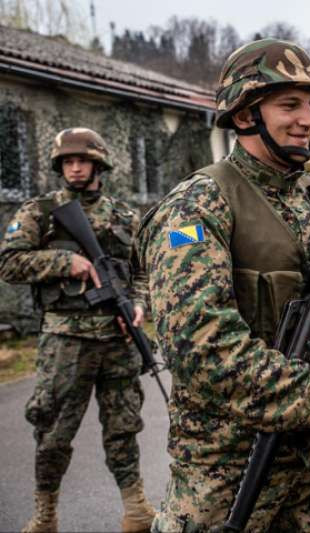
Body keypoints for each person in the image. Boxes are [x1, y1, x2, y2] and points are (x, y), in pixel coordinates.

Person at [136, 39, 310, 532]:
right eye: (290, 105)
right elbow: (201, 348)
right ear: (244, 115)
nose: (308, 120)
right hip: (228, 476)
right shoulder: (195, 208)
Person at [0, 128, 155, 532]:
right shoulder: (41, 212)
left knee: (123, 428)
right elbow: (8, 262)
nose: (74, 168)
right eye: (67, 162)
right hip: (64, 342)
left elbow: (142, 270)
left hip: (117, 340)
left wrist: (139, 304)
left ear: (98, 164)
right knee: (53, 431)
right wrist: (62, 263)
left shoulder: (125, 216)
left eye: (82, 160)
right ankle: (45, 515)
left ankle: (136, 510)